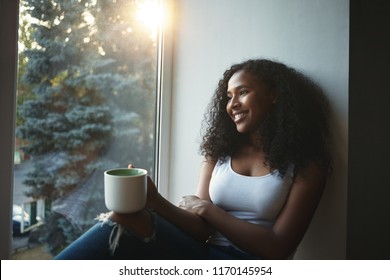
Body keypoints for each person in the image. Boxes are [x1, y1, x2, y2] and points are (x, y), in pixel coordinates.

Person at [55, 58, 332, 260]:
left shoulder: (308, 164)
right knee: (127, 218)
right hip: (203, 254)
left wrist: (210, 211)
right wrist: (154, 201)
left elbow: (278, 247)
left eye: (243, 92)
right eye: (228, 96)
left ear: (273, 96)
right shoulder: (220, 152)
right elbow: (200, 231)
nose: (232, 104)